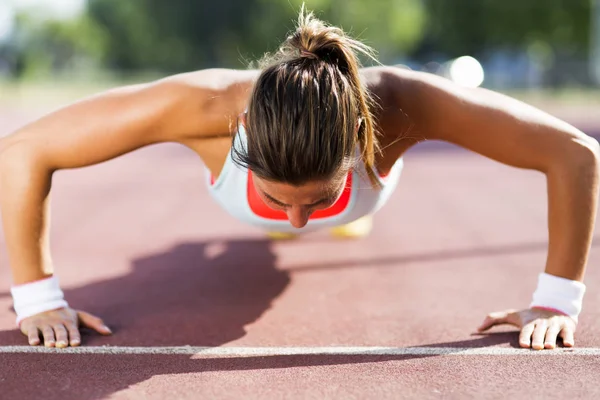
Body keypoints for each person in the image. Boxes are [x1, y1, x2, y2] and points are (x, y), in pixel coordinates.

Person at [0, 8, 598, 350]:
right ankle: (263, 208)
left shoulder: (407, 105)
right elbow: (22, 151)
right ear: (242, 135)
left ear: (361, 142)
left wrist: (556, 301)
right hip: (231, 198)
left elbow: (577, 155)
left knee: (320, 220)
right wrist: (38, 300)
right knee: (255, 238)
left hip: (370, 198)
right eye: (277, 198)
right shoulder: (199, 106)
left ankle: (333, 209)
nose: (294, 216)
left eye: (315, 199)